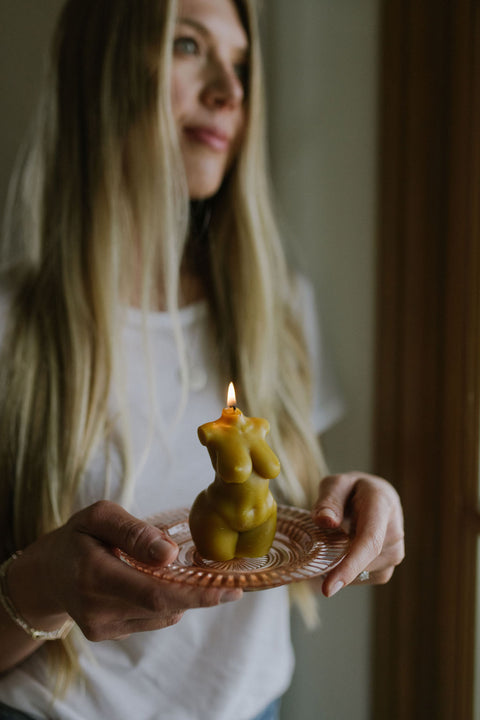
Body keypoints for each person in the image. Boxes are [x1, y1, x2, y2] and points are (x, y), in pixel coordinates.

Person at [0, 1, 405, 718]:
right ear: (100, 65)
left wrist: (363, 514)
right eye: (188, 44)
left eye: (242, 63)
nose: (231, 90)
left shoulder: (276, 308)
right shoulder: (12, 328)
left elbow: (297, 521)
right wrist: (36, 589)